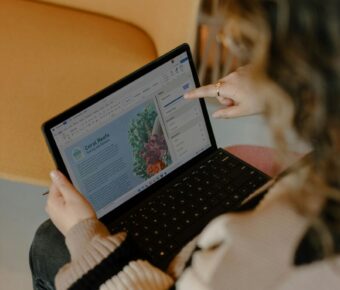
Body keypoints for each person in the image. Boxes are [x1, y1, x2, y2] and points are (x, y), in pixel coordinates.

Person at [29, 0, 340, 289]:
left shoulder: (258, 259)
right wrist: (285, 91)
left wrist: (85, 233)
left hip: (186, 263)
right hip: (260, 202)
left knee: (49, 241)